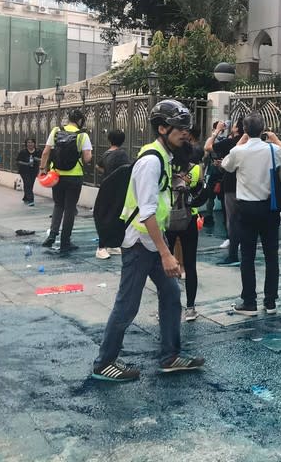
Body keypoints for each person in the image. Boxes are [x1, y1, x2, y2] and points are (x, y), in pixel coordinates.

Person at [92, 99, 204, 382]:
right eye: (180, 129)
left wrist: (175, 183)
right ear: (163, 128)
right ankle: (105, 362)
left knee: (171, 295)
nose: (185, 134)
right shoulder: (152, 161)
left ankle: (170, 356)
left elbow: (158, 197)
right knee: (127, 304)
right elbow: (147, 213)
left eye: (186, 129)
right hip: (141, 244)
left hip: (153, 243)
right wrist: (167, 254)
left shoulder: (163, 158)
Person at [222, 113, 281, 316]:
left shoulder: (239, 151)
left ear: (245, 130)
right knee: (271, 255)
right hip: (269, 208)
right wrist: (277, 140)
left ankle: (249, 302)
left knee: (247, 256)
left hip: (246, 208)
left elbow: (226, 165)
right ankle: (270, 301)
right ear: (263, 129)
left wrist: (240, 141)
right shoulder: (272, 149)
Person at [39, 109, 92, 254]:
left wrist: (42, 169)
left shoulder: (56, 130)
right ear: (80, 120)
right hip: (74, 177)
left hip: (56, 175)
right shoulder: (82, 135)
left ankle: (52, 235)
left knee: (58, 204)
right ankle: (65, 241)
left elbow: (45, 152)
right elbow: (87, 158)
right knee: (70, 209)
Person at [165, 129, 204, 322]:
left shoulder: (167, 168)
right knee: (190, 264)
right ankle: (190, 308)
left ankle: (167, 307)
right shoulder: (196, 169)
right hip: (190, 218)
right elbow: (200, 194)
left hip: (168, 219)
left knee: (167, 266)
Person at [204, 118, 244, 265]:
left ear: (238, 129)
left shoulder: (231, 143)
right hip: (247, 187)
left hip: (232, 186)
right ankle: (245, 252)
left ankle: (233, 255)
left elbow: (208, 147)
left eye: (233, 125)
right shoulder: (257, 145)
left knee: (232, 221)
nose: (231, 127)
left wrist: (217, 131)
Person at [95, 128, 130, 260]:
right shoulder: (122, 154)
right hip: (116, 190)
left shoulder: (106, 154)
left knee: (108, 216)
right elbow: (126, 170)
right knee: (112, 217)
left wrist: (107, 173)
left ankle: (110, 246)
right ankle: (101, 247)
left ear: (109, 140)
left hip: (106, 188)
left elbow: (98, 166)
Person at [16, 138, 41, 207]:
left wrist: (37, 159)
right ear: (26, 144)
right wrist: (26, 164)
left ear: (34, 143)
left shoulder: (38, 151)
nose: (30, 144)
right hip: (24, 170)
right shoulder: (23, 152)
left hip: (33, 170)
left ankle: (26, 198)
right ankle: (31, 200)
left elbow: (43, 159)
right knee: (28, 183)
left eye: (32, 142)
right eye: (28, 142)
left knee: (30, 184)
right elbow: (18, 161)